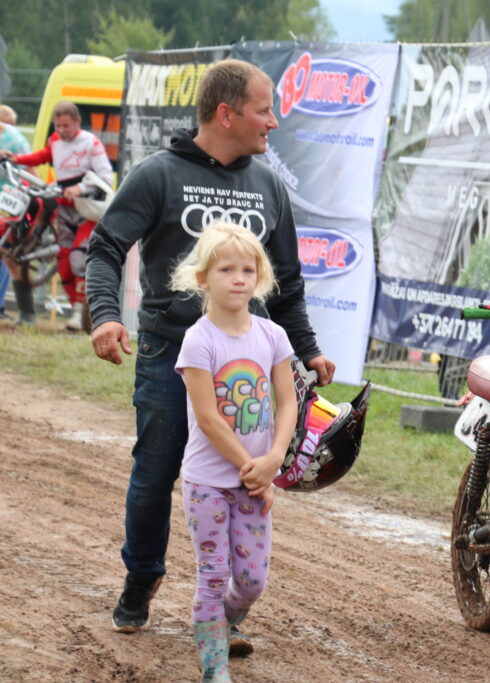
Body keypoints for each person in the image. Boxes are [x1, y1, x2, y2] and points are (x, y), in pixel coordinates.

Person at [86, 59, 335, 653]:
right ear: (226, 114)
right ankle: (141, 578)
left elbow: (287, 283)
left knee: (245, 476)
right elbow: (106, 246)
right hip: (172, 354)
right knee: (155, 473)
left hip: (249, 365)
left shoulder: (269, 184)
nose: (272, 122)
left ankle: (227, 609)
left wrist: (306, 349)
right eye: (263, 110)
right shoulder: (159, 174)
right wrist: (106, 315)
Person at [170, 221, 297, 681]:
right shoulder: (198, 340)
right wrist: (252, 467)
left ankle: (221, 621)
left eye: (247, 270)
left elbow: (288, 401)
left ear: (259, 277)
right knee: (212, 573)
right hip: (208, 482)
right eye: (226, 270)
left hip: (255, 481)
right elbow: (208, 418)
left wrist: (274, 459)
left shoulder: (273, 336)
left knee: (251, 581)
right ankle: (213, 667)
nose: (238, 279)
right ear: (203, 278)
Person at [1, 101, 114, 330]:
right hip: (63, 207)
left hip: (87, 209)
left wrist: (80, 189)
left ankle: (81, 312)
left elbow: (106, 177)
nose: (62, 131)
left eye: (66, 126)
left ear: (77, 123)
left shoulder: (91, 143)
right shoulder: (55, 140)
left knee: (78, 258)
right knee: (63, 261)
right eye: (58, 126)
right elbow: (41, 156)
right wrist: (16, 159)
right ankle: (75, 308)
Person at [0, 104, 33, 322]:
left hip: (8, 203)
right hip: (11, 203)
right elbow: (31, 170)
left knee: (6, 253)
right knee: (7, 254)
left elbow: (29, 167)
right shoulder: (16, 138)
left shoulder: (14, 138)